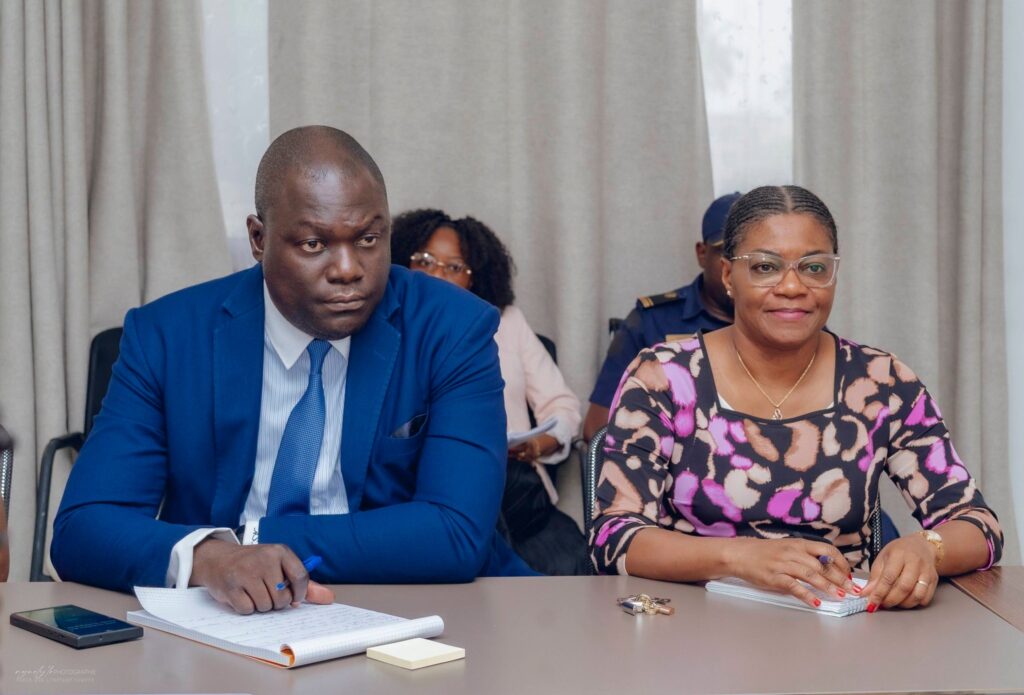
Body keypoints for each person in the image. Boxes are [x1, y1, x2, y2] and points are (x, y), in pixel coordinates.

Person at [51, 126, 532, 613]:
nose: (348, 269)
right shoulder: (169, 337)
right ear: (258, 239)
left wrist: (249, 542)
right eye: (313, 244)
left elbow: (455, 532)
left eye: (368, 238)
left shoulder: (452, 328)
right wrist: (208, 559)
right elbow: (83, 528)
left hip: (418, 607)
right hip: (226, 614)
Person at [590, 185, 1002, 612]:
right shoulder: (664, 377)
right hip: (690, 621)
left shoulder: (881, 381)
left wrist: (928, 547)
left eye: (814, 267)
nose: (792, 286)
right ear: (729, 276)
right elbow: (614, 537)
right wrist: (739, 557)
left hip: (838, 624)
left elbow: (978, 525)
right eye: (765, 267)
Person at [391, 209, 589, 575]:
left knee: (571, 562)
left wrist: (536, 445)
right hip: (421, 483)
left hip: (514, 488)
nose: (437, 275)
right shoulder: (387, 324)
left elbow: (562, 405)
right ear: (403, 263)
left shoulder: (506, 321)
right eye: (426, 261)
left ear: (474, 278)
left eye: (454, 267)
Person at [582, 192, 741, 441]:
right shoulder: (651, 321)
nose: (736, 268)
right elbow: (597, 428)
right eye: (727, 253)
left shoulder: (782, 324)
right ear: (702, 254)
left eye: (751, 257)